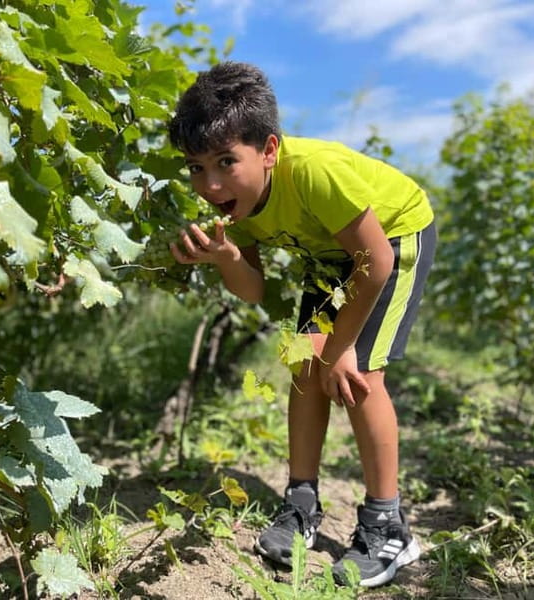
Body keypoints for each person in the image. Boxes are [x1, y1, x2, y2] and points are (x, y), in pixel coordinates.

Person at [167, 61, 436, 587]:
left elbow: (375, 262)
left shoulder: (314, 172)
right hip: (333, 259)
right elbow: (253, 289)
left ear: (269, 150)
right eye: (196, 167)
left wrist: (342, 347)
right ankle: (302, 502)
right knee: (302, 367)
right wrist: (225, 257)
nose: (211, 182)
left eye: (225, 161)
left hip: (392, 240)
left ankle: (389, 526)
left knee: (359, 376)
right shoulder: (238, 205)